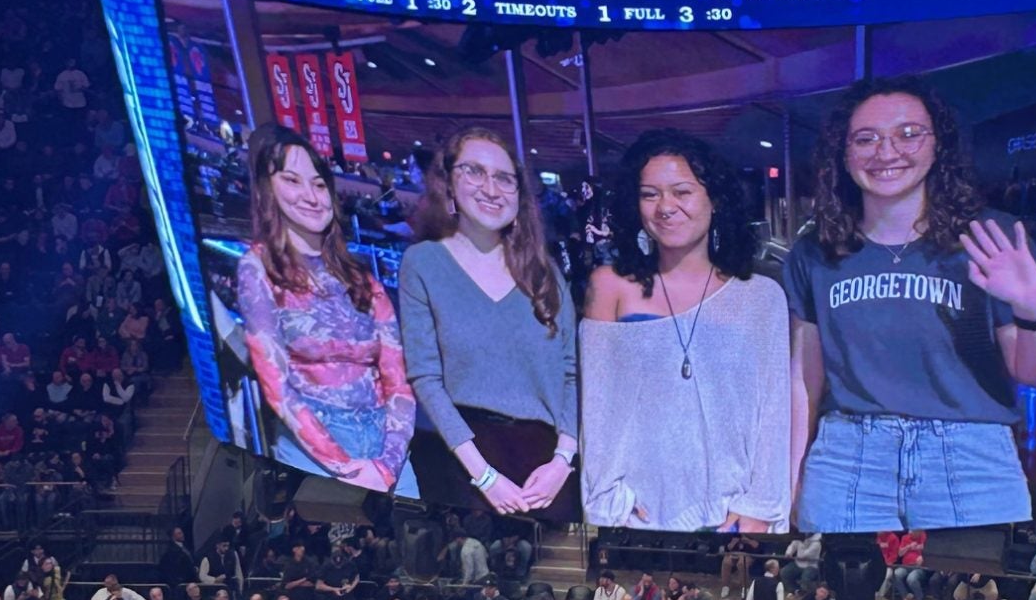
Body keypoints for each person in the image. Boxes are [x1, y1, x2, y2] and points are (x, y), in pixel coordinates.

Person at [786, 76, 1036, 531]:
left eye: (908, 133)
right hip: (847, 460)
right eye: (866, 139)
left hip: (970, 460)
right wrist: (792, 475)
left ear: (939, 145)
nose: (886, 152)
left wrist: (1035, 307)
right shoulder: (815, 252)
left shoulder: (989, 238)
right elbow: (805, 382)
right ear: (843, 154)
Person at [582, 130, 792, 531]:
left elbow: (774, 410)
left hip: (732, 512)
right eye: (650, 195)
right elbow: (598, 406)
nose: (666, 207)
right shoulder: (609, 286)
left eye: (682, 192)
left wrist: (761, 507)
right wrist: (605, 501)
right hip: (638, 512)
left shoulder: (761, 297)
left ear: (714, 199)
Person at [400, 127, 577, 517]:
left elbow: (571, 374)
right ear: (448, 183)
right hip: (463, 458)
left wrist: (563, 461)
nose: (491, 189)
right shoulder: (424, 263)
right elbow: (425, 377)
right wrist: (483, 476)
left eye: (504, 178)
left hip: (546, 466)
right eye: (474, 171)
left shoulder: (544, 272)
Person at [235, 127, 414, 492]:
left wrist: (388, 464)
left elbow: (399, 382)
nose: (311, 196)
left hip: (387, 448)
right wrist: (345, 467)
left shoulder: (363, 279)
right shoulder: (258, 268)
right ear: (267, 190)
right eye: (291, 180)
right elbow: (277, 386)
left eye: (318, 184)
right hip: (312, 448)